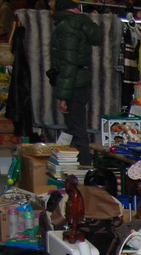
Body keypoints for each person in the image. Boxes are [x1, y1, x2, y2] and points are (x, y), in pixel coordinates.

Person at [49, 0, 102, 167]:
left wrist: (63, 96)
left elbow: (68, 63)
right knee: (77, 130)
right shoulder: (81, 22)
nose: (49, 3)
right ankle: (80, 170)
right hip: (82, 81)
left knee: (77, 132)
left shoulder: (66, 26)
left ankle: (83, 171)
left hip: (73, 84)